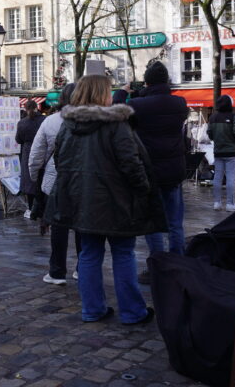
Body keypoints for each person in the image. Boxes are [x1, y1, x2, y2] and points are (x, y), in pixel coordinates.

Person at [50, 75, 163, 324]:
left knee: (89, 253)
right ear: (103, 94)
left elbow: (60, 162)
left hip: (82, 201)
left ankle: (92, 309)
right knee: (123, 253)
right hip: (117, 200)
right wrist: (143, 189)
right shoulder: (116, 124)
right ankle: (133, 312)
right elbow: (131, 164)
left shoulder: (67, 125)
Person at [113, 61, 190, 258]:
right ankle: (178, 260)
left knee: (153, 221)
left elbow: (118, 113)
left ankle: (158, 262)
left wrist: (122, 92)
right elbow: (158, 105)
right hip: (174, 169)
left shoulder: (137, 105)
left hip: (149, 170)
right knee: (175, 222)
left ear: (146, 82)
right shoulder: (180, 103)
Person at [29, 82, 80, 286]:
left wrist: (34, 177)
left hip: (55, 179)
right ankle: (82, 268)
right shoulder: (89, 120)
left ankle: (57, 271)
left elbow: (36, 154)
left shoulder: (50, 121)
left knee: (58, 226)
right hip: (81, 180)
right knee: (81, 226)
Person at [208, 95, 235, 211]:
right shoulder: (234, 117)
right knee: (230, 179)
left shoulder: (212, 118)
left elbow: (210, 134)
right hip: (232, 151)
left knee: (217, 177)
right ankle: (230, 203)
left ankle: (217, 203)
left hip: (218, 151)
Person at [15, 99, 45, 217]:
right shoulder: (44, 120)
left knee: (29, 181)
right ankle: (43, 207)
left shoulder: (22, 123)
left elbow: (18, 139)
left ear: (26, 109)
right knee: (42, 178)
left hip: (28, 152)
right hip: (43, 151)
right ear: (37, 107)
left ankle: (32, 208)